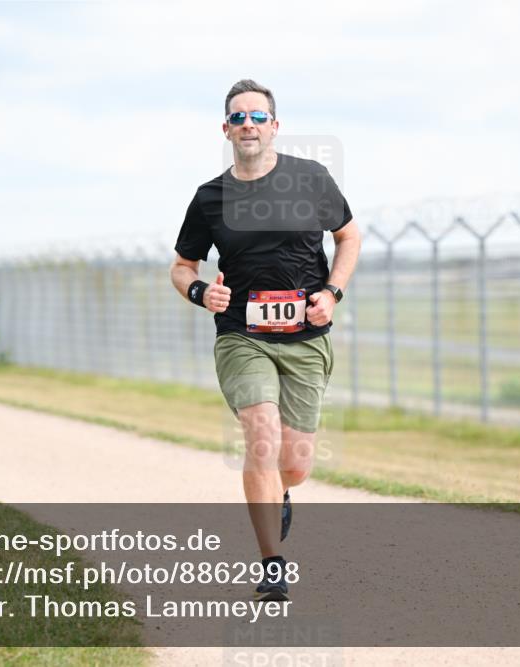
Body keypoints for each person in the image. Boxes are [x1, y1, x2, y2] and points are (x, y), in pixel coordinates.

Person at [170, 79, 361, 601]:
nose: (248, 125)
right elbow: (182, 266)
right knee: (260, 432)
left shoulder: (312, 179)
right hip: (241, 333)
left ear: (275, 126)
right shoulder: (210, 196)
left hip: (305, 335)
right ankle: (272, 562)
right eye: (239, 117)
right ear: (226, 129)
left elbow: (348, 236)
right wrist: (199, 291)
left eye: (258, 116)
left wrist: (333, 291)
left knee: (295, 463)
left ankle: (281, 493)